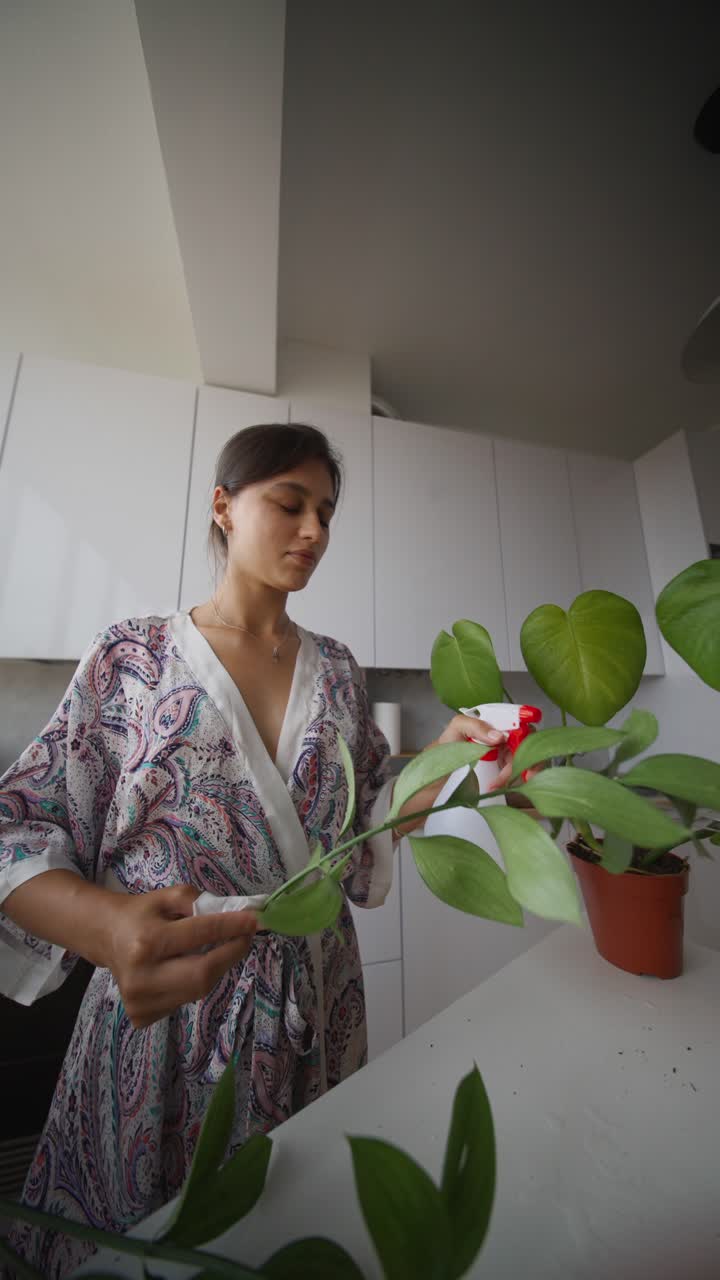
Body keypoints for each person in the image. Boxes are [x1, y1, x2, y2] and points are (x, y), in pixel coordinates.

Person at [0, 423, 514, 1278]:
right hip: (163, 1019)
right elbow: (17, 825)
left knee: (290, 1239)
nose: (314, 530)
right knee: (139, 1243)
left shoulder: (341, 673)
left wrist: (448, 761)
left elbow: (365, 827)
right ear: (224, 508)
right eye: (290, 503)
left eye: (326, 512)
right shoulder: (132, 657)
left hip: (315, 1006)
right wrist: (106, 927)